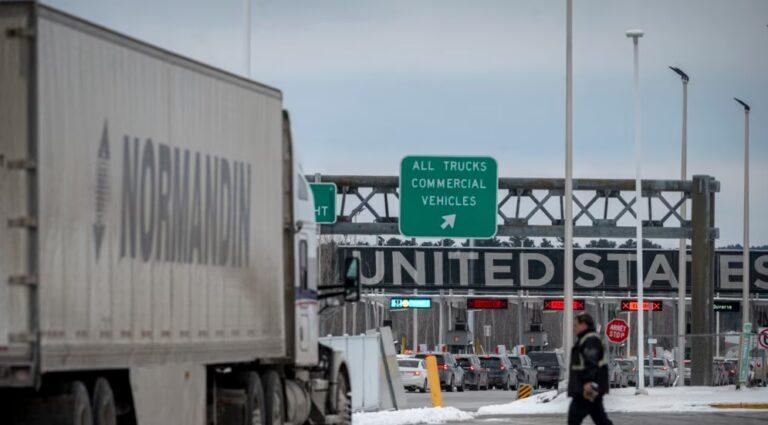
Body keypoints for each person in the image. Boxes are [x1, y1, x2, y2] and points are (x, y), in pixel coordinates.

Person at [567, 313, 613, 425]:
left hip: (587, 388)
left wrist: (588, 381)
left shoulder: (590, 340)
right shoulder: (586, 339)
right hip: (589, 387)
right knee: (600, 418)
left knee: (574, 418)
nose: (574, 328)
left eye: (576, 325)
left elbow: (591, 361)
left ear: (584, 325)